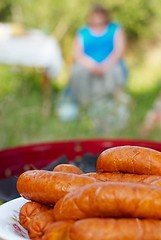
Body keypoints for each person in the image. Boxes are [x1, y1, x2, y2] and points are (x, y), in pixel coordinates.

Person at [68, 4, 128, 107]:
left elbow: (119, 50)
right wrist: (92, 66)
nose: (98, 18)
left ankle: (114, 101)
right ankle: (84, 103)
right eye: (95, 15)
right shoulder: (83, 32)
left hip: (110, 62)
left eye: (100, 15)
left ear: (106, 16)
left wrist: (106, 65)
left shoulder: (115, 28)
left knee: (114, 71)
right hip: (87, 64)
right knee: (78, 71)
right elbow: (77, 54)